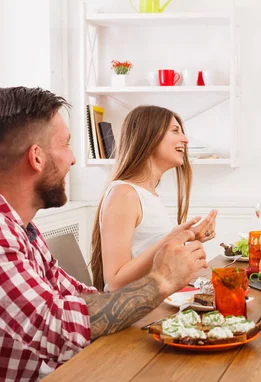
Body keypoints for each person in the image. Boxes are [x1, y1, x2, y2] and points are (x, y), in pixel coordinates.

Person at [0, 87, 208, 381]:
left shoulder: (19, 225)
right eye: (65, 145)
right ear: (36, 157)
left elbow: (76, 295)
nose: (73, 159)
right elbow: (55, 326)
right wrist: (161, 281)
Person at [88, 105, 217, 292]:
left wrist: (188, 237)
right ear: (149, 137)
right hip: (138, 314)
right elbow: (115, 281)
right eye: (175, 131)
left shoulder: (147, 194)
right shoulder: (124, 194)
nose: (185, 139)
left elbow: (149, 253)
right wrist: (171, 240)